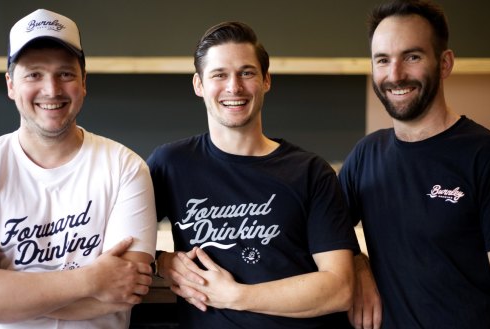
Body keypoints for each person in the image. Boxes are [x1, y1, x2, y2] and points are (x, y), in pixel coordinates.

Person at [0, 9, 157, 328]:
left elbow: (125, 289)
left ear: (83, 82)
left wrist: (6, 295)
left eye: (65, 74)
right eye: (34, 74)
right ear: (11, 84)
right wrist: (91, 280)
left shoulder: (125, 168)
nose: (51, 90)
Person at [147, 21, 358, 328]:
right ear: (199, 85)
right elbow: (116, 241)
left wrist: (235, 296)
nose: (234, 87)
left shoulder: (310, 172)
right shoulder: (171, 164)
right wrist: (162, 261)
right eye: (219, 74)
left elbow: (340, 289)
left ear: (266, 81)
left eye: (246, 73)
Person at [338, 1, 490, 328]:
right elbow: (323, 232)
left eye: (412, 57)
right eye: (383, 60)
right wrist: (358, 263)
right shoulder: (366, 155)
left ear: (444, 63)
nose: (395, 74)